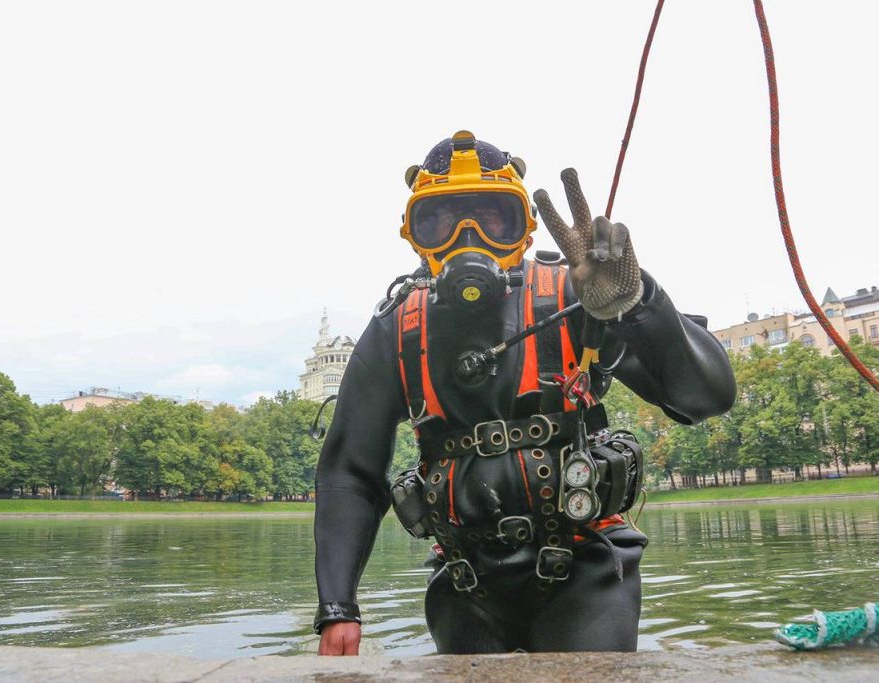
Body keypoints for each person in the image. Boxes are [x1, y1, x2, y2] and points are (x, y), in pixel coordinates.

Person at [313, 131, 736, 655]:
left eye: (493, 218)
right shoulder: (400, 328)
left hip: (587, 571)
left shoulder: (577, 297)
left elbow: (705, 398)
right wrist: (337, 607)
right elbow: (350, 471)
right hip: (463, 581)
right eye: (441, 221)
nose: (468, 238)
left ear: (525, 226)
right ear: (413, 233)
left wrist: (636, 304)